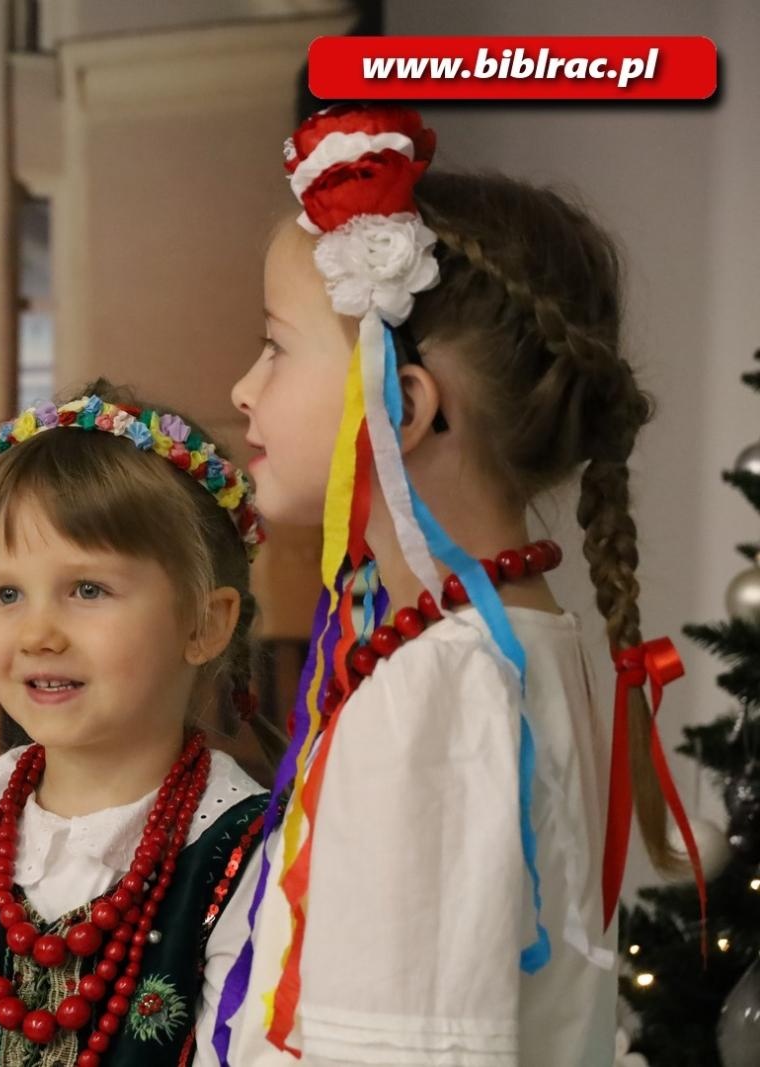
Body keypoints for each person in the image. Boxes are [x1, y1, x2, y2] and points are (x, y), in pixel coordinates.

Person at [214, 104, 699, 1066]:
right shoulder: (509, 646)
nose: (242, 387)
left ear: (403, 405)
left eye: (275, 346)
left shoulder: (438, 693)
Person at [0, 383, 271, 1065]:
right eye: (6, 593)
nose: (38, 632)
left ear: (205, 622)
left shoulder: (246, 860)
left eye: (88, 589)